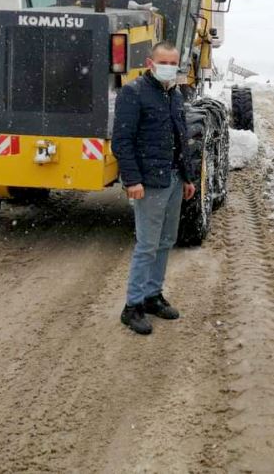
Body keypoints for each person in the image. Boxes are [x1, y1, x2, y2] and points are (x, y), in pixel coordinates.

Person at [112, 41, 196, 335]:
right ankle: (132, 306)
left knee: (166, 240)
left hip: (173, 179)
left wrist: (187, 177)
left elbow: (180, 137)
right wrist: (132, 180)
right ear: (150, 63)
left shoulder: (173, 94)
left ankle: (152, 295)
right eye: (164, 62)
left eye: (174, 63)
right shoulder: (133, 93)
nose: (169, 67)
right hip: (149, 182)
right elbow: (122, 142)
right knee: (147, 245)